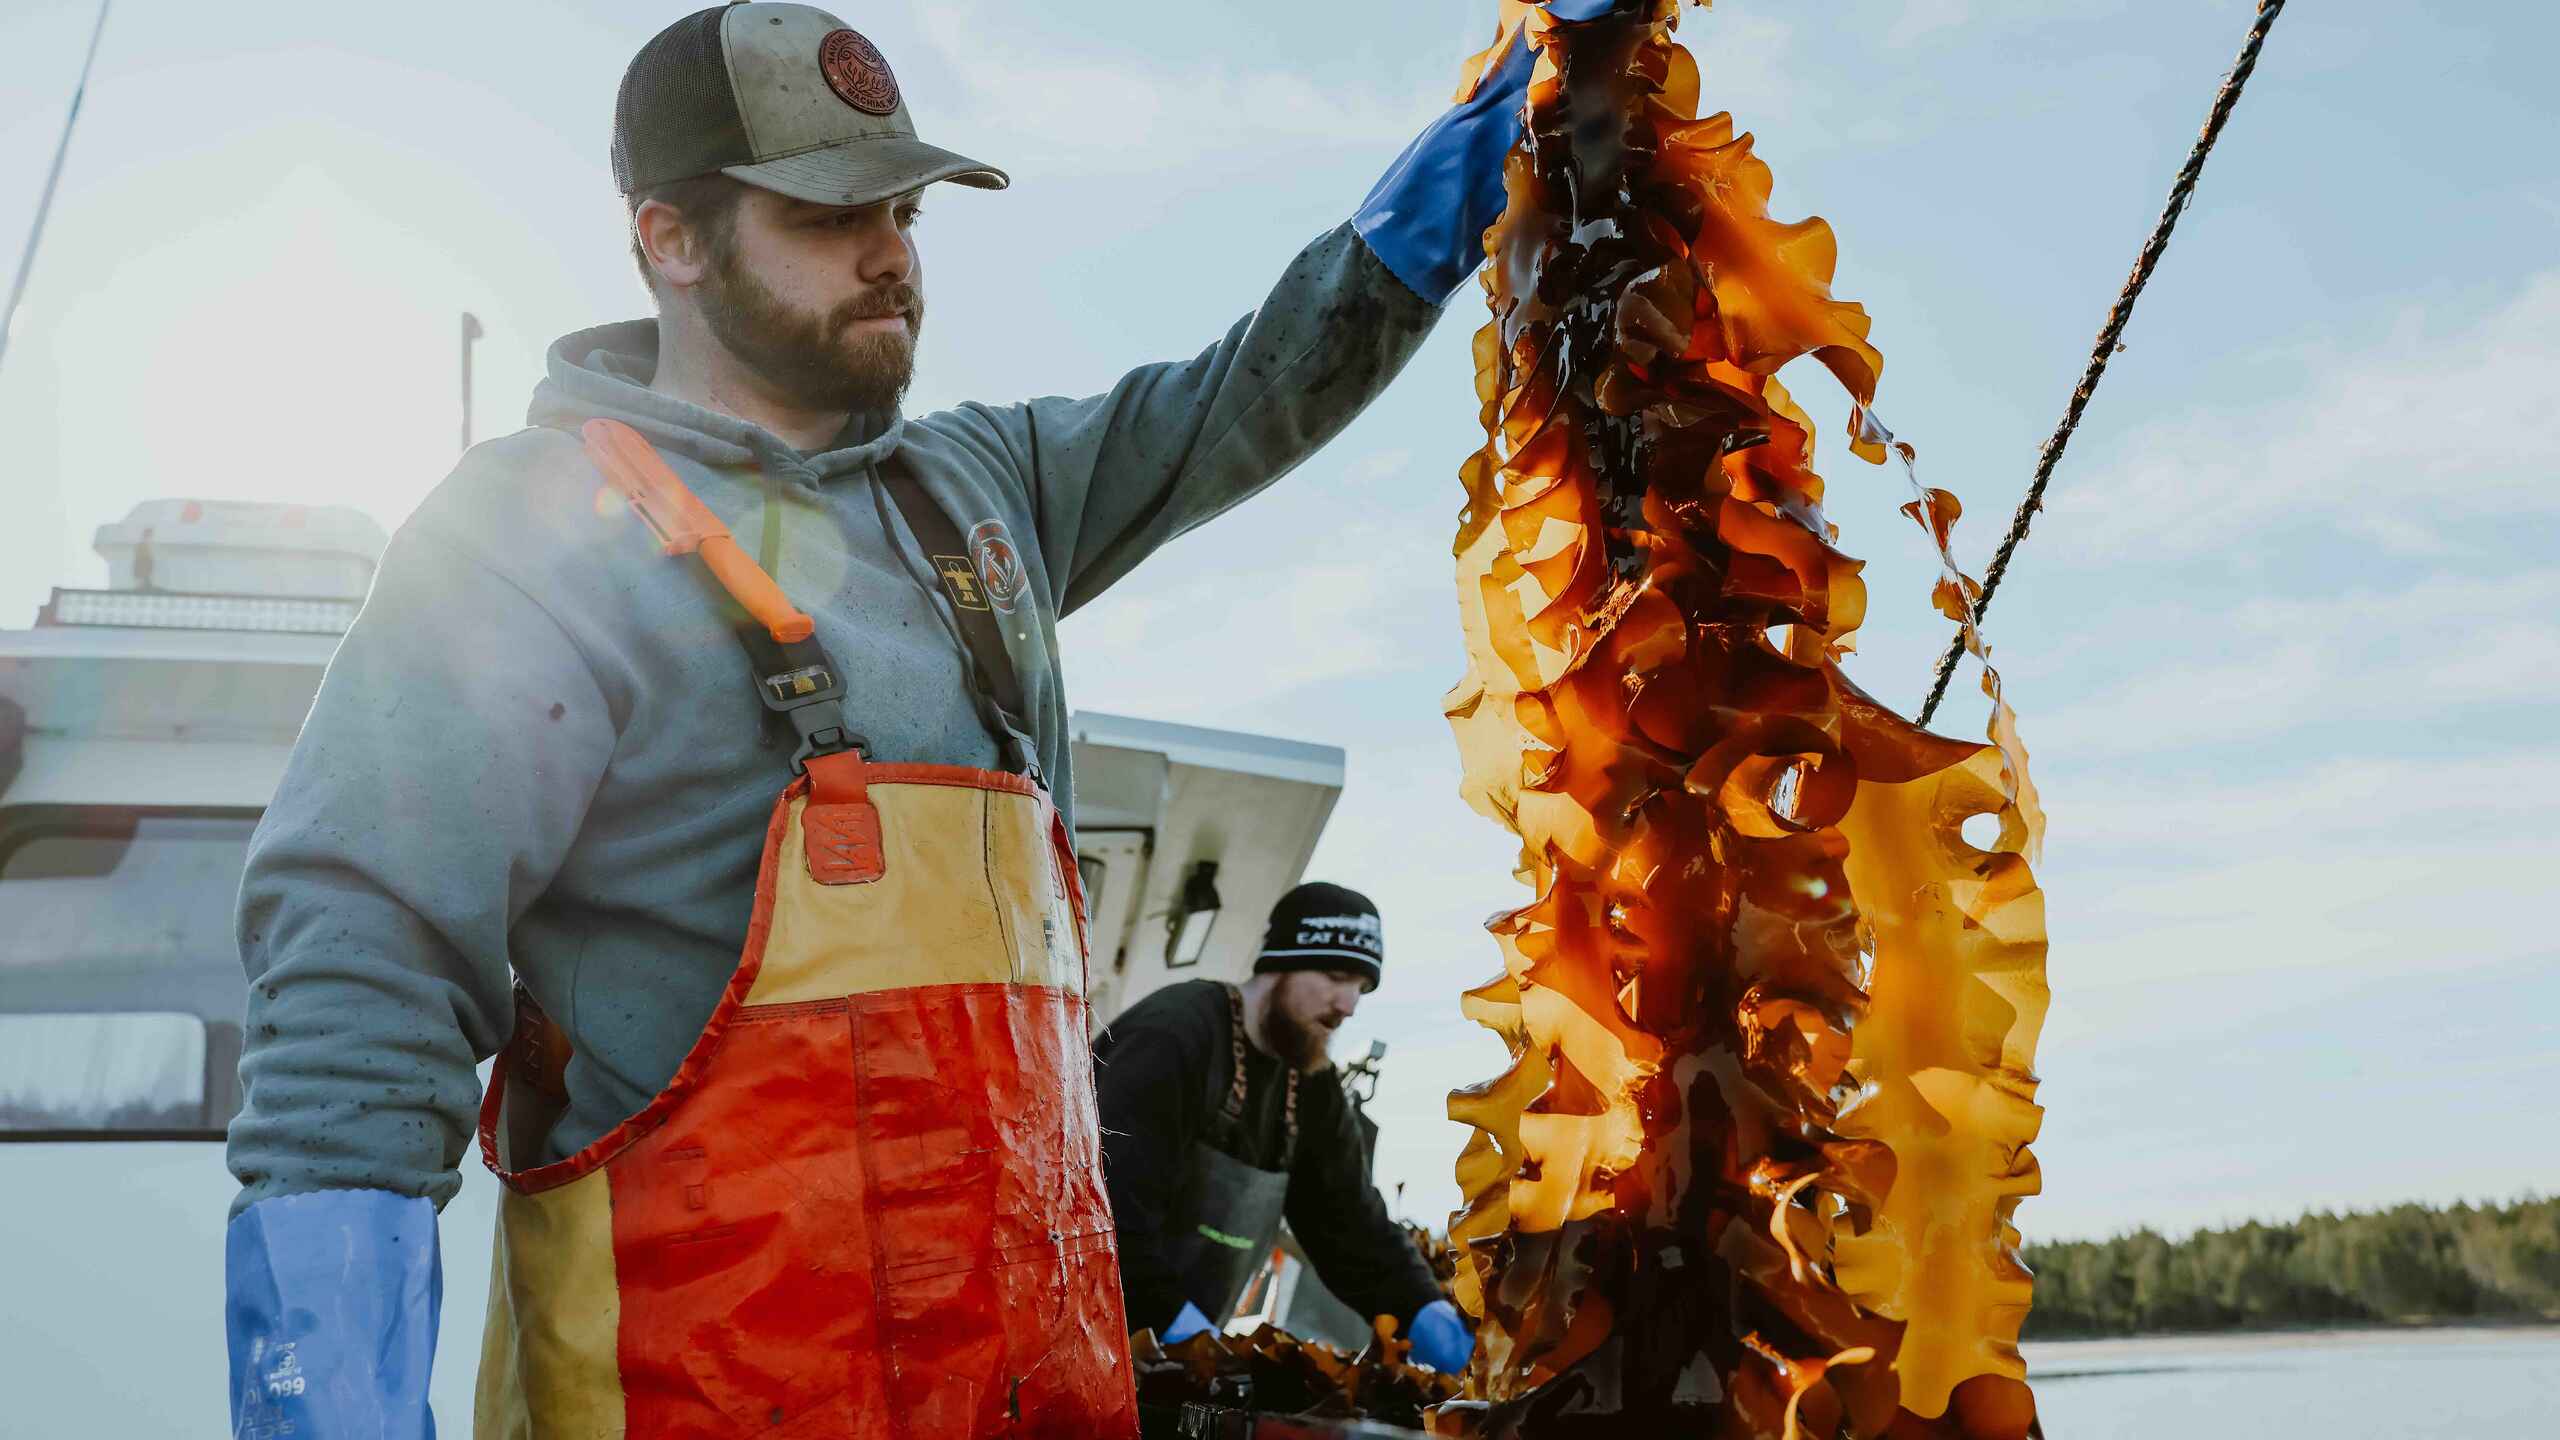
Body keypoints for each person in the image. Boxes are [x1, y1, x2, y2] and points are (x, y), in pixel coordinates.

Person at [220, 3, 1596, 1435]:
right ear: (669, 238)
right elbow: (359, 984)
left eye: (905, 208)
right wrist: (332, 1408)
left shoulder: (985, 488)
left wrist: (1502, 124)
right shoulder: (519, 537)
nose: (892, 254)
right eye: (829, 215)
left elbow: (1248, 389)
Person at [1093, 883, 1469, 1371]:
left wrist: (1430, 1317)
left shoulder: (1312, 1085)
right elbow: (1104, 1216)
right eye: (1337, 976)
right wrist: (1188, 1336)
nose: (1350, 1004)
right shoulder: (1175, 1036)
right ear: (1280, 964)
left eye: (1362, 987)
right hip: (1084, 1341)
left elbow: (1351, 1229)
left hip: (1173, 1367)